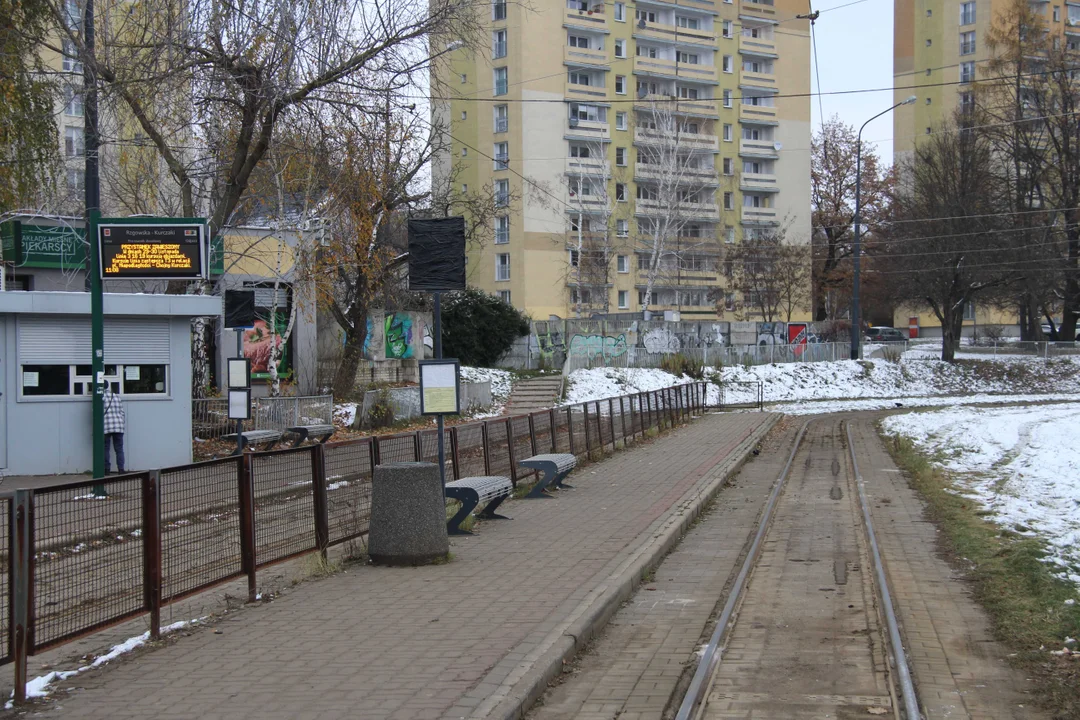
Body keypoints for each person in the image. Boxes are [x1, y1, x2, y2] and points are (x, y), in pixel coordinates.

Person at [103, 384, 126, 474]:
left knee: (105, 448)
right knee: (119, 448)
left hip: (106, 425)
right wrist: (121, 423)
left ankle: (107, 470)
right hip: (118, 426)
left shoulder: (100, 397)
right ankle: (121, 469)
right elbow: (122, 412)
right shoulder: (116, 396)